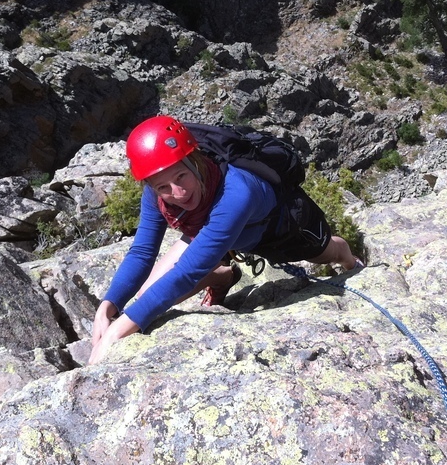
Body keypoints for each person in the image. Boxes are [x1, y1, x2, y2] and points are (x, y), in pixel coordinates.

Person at [89, 115, 363, 365]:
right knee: (144, 298)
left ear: (194, 159)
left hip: (280, 230)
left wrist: (117, 330)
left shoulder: (237, 192)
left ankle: (353, 262)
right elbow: (142, 251)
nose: (179, 192)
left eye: (181, 176)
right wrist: (108, 307)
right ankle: (221, 276)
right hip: (213, 231)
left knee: (329, 252)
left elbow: (186, 272)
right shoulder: (158, 191)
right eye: (163, 187)